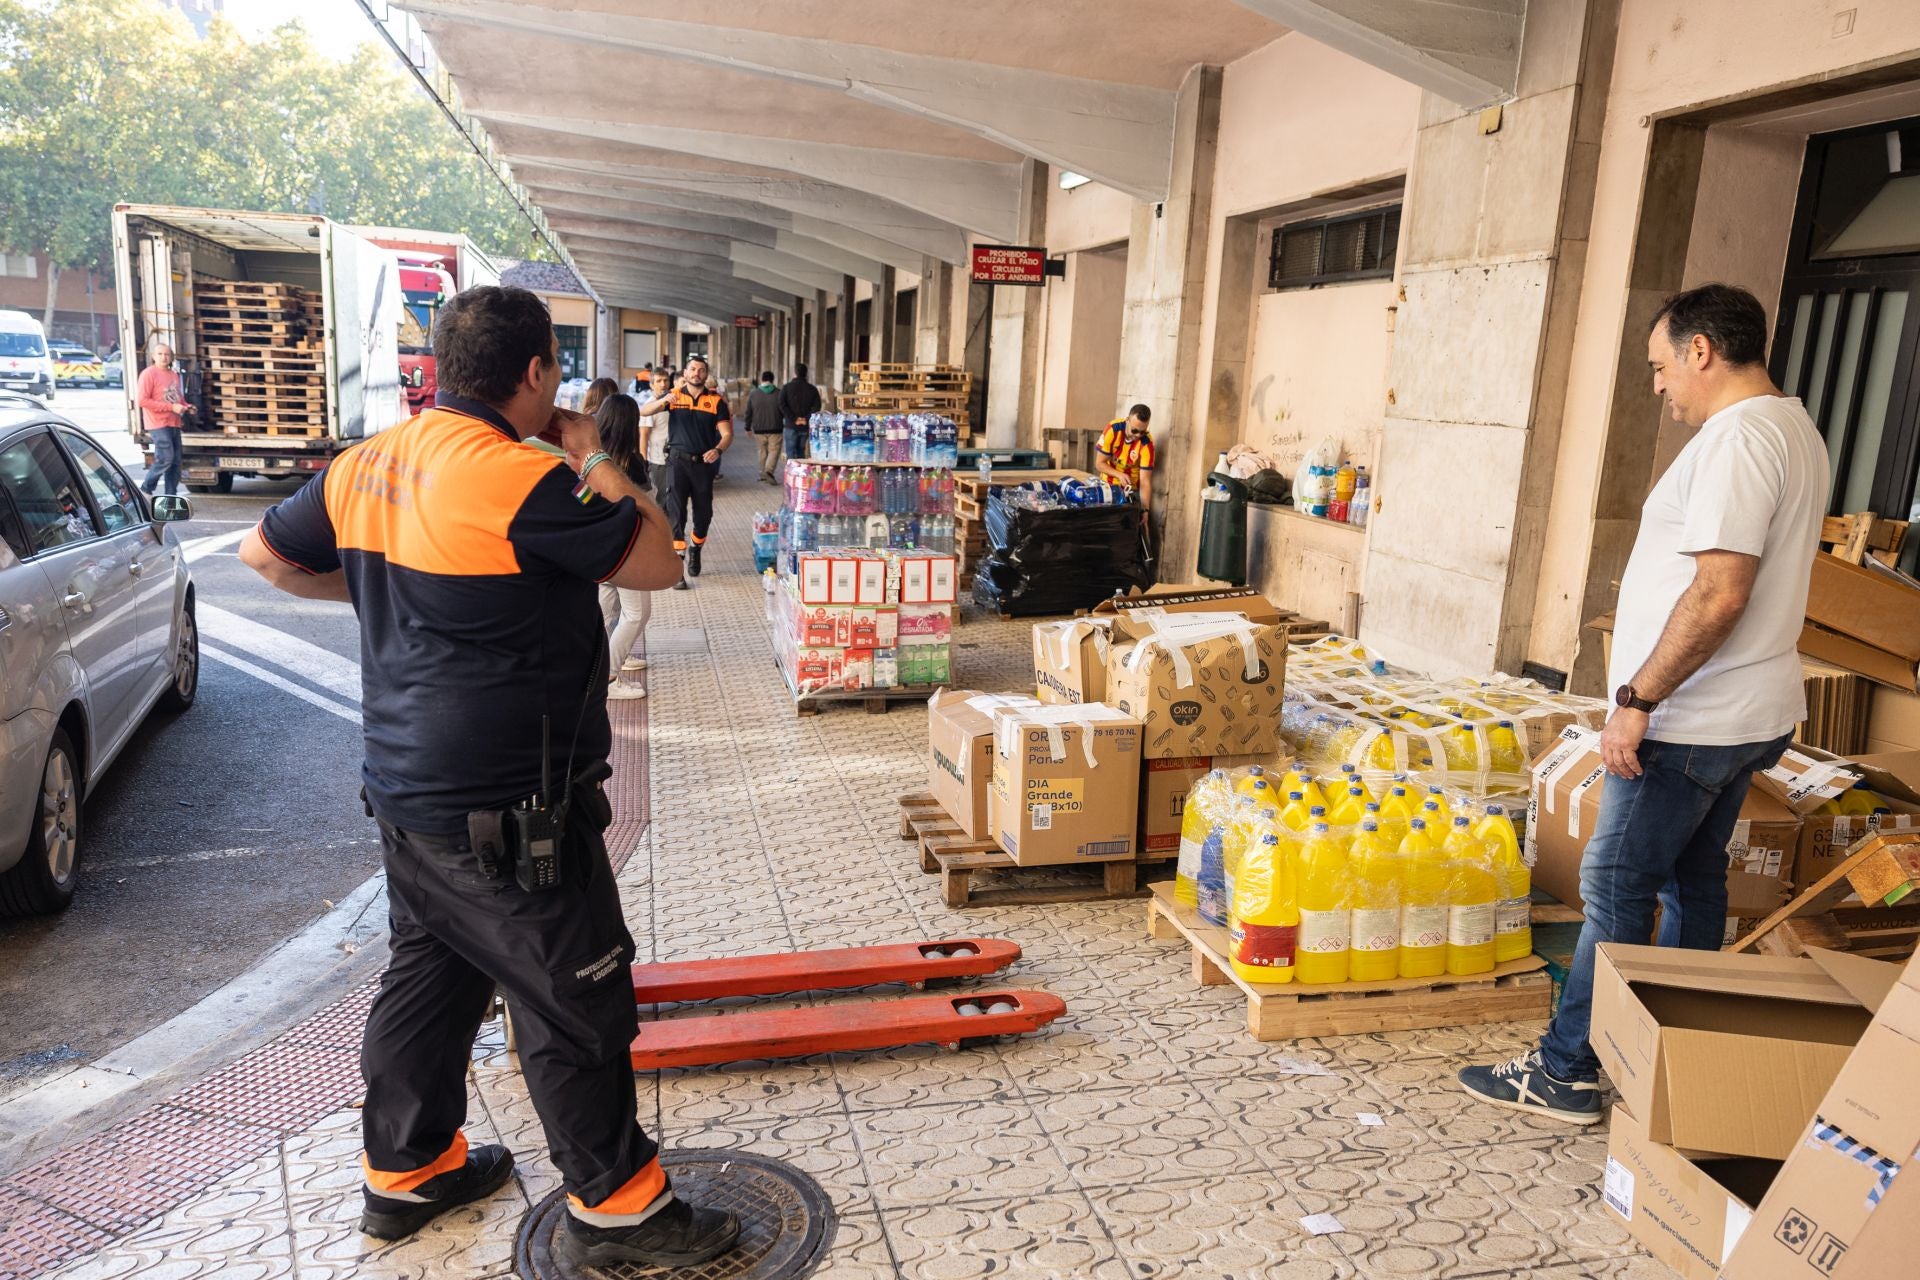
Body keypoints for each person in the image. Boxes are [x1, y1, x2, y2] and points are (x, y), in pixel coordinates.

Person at [237, 285, 740, 1270]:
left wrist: (398, 589)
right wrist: (592, 445)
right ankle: (621, 1207)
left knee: (432, 974)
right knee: (570, 992)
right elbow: (652, 559)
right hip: (516, 806)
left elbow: (268, 555)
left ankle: (409, 1167)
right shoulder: (519, 479)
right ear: (537, 373)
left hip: (405, 792)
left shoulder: (367, 462)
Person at [1458, 283, 1828, 1124]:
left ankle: (1567, 1069)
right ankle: (1672, 1056)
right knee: (1693, 881)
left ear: (1702, 351)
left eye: (1661, 368)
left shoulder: (1738, 442)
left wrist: (1636, 700)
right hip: (1747, 712)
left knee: (1618, 885)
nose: (1658, 388)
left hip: (1691, 720)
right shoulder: (1793, 427)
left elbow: (1719, 592)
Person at [634, 354, 731, 588]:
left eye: (701, 370)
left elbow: (727, 434)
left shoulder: (716, 401)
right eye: (693, 369)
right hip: (677, 463)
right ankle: (678, 568)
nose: (696, 373)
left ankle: (696, 547)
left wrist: (718, 449)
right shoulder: (674, 397)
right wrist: (663, 400)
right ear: (685, 374)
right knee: (676, 515)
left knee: (704, 515)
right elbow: (644, 412)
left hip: (703, 466)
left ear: (706, 375)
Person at [596, 393, 652, 701]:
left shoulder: (593, 458)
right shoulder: (631, 462)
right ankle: (609, 677)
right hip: (628, 551)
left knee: (606, 613)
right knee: (637, 613)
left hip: (600, 549)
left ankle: (612, 658)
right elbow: (649, 504)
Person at [137, 340, 195, 496]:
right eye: (160, 354)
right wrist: (171, 407)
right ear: (153, 356)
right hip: (157, 424)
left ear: (171, 357)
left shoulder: (173, 375)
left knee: (175, 463)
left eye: (167, 354)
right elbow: (142, 400)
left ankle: (171, 496)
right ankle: (146, 489)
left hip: (174, 422)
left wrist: (187, 406)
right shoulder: (148, 374)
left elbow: (177, 398)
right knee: (165, 458)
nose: (164, 357)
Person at [1095, 404, 1156, 511]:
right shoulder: (1113, 429)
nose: (1138, 435)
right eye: (1135, 430)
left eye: (1143, 431)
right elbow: (1099, 464)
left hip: (1132, 491)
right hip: (1107, 486)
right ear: (1127, 420)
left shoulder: (1147, 443)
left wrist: (1145, 510)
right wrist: (1119, 475)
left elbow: (1145, 482)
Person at [636, 366, 671, 499]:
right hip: (658, 461)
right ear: (651, 385)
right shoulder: (649, 406)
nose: (663, 384)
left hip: (673, 459)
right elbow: (643, 437)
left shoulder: (671, 403)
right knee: (661, 500)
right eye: (659, 381)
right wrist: (644, 464)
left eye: (666, 380)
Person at [744, 369, 783, 483]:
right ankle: (769, 471)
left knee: (762, 451)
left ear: (762, 380)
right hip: (776, 427)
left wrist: (747, 427)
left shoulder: (753, 394)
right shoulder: (779, 393)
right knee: (774, 451)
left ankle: (762, 473)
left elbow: (748, 412)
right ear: (772, 380)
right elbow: (783, 410)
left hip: (758, 428)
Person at [777, 362, 821, 463]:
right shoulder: (812, 389)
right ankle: (800, 475)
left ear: (795, 373)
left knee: (791, 453)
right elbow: (816, 407)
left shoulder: (786, 388)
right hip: (805, 426)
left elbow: (781, 404)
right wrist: (806, 418)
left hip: (791, 425)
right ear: (806, 374)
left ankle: (792, 475)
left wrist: (794, 418)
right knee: (801, 453)